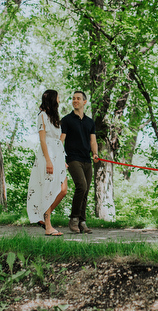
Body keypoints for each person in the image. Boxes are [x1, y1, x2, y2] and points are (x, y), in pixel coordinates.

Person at [27, 89, 68, 236]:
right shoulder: (42, 116)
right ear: (52, 98)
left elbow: (59, 141)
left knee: (63, 189)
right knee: (48, 190)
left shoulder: (55, 118)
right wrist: (48, 161)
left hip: (58, 155)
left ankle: (44, 215)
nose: (59, 99)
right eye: (58, 96)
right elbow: (43, 140)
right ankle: (48, 226)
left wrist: (63, 160)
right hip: (47, 156)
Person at [60, 91, 98, 234]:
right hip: (72, 158)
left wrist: (95, 153)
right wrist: (60, 158)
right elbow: (61, 140)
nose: (75, 101)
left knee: (86, 190)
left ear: (84, 102)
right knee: (81, 186)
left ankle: (82, 222)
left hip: (86, 159)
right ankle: (74, 219)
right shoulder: (66, 120)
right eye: (73, 98)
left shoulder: (90, 122)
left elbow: (92, 140)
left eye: (78, 99)